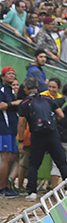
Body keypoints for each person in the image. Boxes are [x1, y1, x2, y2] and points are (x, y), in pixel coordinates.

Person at [17, 77, 67, 199]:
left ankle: (32, 192)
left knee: (34, 164)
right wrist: (53, 123)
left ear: (26, 89)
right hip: (52, 134)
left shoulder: (25, 103)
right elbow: (61, 115)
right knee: (61, 162)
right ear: (37, 88)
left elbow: (21, 123)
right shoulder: (47, 98)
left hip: (37, 136)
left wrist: (21, 141)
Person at [0, 67, 21, 196]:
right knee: (6, 157)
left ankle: (6, 186)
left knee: (12, 157)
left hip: (13, 129)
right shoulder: (1, 89)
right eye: (9, 74)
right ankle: (1, 188)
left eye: (13, 73)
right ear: (2, 77)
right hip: (4, 128)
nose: (12, 75)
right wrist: (13, 104)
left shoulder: (10, 90)